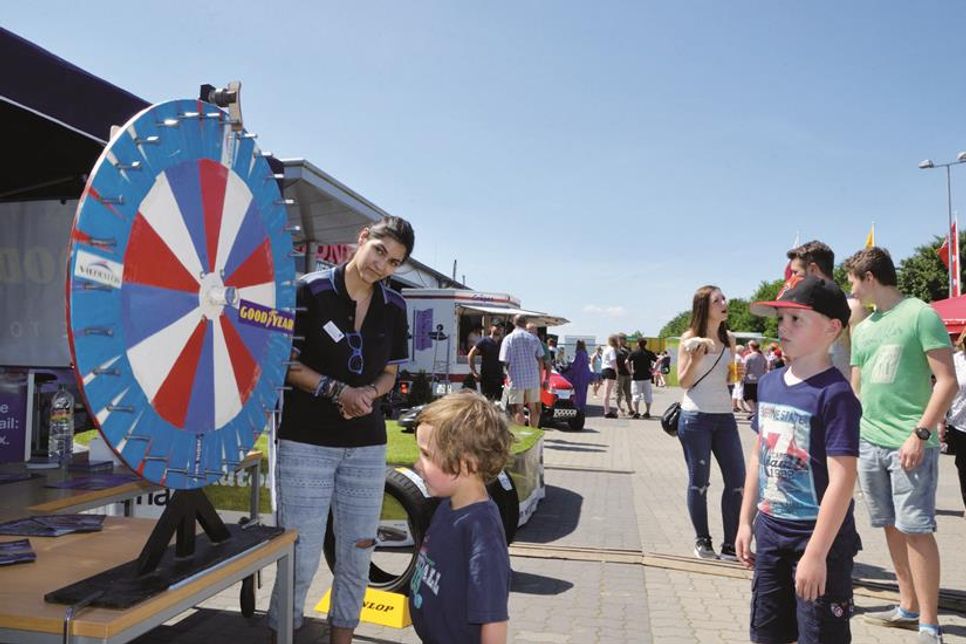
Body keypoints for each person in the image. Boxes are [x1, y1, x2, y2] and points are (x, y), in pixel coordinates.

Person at [268, 216, 414, 643]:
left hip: (366, 444)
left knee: (359, 549)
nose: (382, 266)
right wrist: (337, 392)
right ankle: (284, 635)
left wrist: (368, 392)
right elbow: (285, 364)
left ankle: (342, 638)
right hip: (305, 441)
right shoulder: (306, 291)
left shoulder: (395, 306)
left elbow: (390, 373)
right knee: (300, 551)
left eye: (394, 263)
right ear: (363, 239)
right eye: (380, 252)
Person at [737, 275, 862, 643]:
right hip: (771, 533)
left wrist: (816, 553)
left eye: (796, 319)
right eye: (781, 319)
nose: (783, 328)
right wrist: (745, 522)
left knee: (819, 635)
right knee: (766, 634)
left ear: (832, 328)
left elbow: (842, 480)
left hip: (817, 539)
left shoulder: (835, 395)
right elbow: (758, 457)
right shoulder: (771, 382)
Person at [846, 247, 957, 643]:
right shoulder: (864, 327)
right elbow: (857, 387)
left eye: (854, 283)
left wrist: (921, 433)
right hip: (870, 443)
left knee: (916, 529)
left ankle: (930, 624)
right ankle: (907, 607)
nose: (853, 292)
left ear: (870, 278)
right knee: (890, 526)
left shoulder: (921, 315)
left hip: (910, 443)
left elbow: (947, 381)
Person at [410, 392, 512, 644]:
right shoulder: (447, 506)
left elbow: (493, 619)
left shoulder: (481, 530)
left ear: (465, 463)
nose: (417, 464)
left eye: (426, 455)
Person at [677, 285, 745, 560]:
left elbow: (728, 380)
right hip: (695, 417)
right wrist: (694, 359)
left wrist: (735, 374)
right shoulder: (690, 338)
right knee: (699, 482)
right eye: (718, 300)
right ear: (704, 307)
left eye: (724, 298)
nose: (724, 303)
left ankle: (730, 544)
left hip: (725, 417)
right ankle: (702, 540)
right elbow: (683, 382)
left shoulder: (729, 338)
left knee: (737, 480)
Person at [787, 240, 869, 378]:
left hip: (841, 396)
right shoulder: (799, 312)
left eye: (796, 273)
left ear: (813, 269)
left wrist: (855, 397)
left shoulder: (853, 308)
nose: (791, 279)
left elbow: (862, 361)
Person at [500, 315, 547, 427]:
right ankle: (533, 433)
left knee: (518, 409)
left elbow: (504, 360)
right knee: (533, 408)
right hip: (533, 379)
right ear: (525, 323)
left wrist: (507, 374)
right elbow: (541, 360)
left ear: (513, 323)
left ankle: (521, 435)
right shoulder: (534, 338)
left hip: (516, 379)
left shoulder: (508, 338)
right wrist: (540, 378)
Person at [942, 329, 966, 513]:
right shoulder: (956, 361)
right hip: (959, 423)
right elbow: (945, 387)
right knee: (964, 465)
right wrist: (941, 419)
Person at [467, 323, 504, 402]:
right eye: (496, 326)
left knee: (499, 403)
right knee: (487, 402)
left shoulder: (503, 342)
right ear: (491, 328)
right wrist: (474, 372)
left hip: (500, 377)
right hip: (487, 378)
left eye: (500, 327)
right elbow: (470, 355)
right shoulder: (484, 341)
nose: (499, 328)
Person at [561, 340, 593, 418]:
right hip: (586, 375)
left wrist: (568, 369)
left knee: (578, 393)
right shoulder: (585, 353)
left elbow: (576, 367)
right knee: (583, 393)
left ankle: (578, 409)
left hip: (580, 376)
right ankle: (582, 408)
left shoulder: (579, 354)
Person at [627, 338, 658, 419]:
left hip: (636, 377)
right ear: (645, 344)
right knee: (648, 395)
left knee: (636, 395)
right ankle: (647, 412)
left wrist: (630, 371)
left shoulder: (633, 353)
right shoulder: (649, 353)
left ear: (637, 343)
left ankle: (636, 412)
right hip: (647, 377)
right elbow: (658, 360)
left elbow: (626, 362)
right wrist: (654, 370)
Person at [742, 340, 767, 420]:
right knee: (756, 397)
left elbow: (745, 369)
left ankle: (754, 412)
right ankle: (756, 412)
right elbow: (765, 368)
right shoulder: (762, 357)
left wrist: (742, 378)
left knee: (747, 396)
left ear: (751, 347)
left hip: (749, 380)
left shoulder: (748, 357)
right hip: (760, 380)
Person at [601, 335, 619, 418]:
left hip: (604, 370)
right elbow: (613, 362)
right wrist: (617, 372)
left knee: (606, 392)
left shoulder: (606, 349)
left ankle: (607, 410)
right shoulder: (612, 349)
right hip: (610, 371)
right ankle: (607, 411)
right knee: (607, 393)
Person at [615, 333, 633, 415]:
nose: (625, 340)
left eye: (625, 339)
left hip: (627, 373)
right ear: (619, 339)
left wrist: (631, 371)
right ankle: (619, 408)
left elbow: (631, 361)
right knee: (619, 392)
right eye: (624, 339)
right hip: (620, 373)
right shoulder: (615, 349)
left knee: (628, 392)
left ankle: (630, 408)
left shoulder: (628, 349)